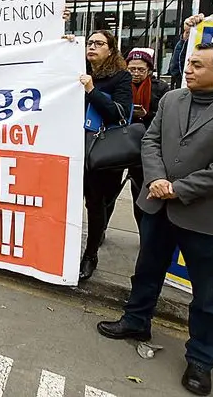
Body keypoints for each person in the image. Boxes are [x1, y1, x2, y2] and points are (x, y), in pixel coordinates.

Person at [96, 42, 213, 397]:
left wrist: (177, 189)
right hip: (157, 205)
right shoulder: (173, 99)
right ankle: (136, 321)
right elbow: (151, 141)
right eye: (189, 63)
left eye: (198, 66)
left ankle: (202, 359)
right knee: (146, 271)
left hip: (204, 216)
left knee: (206, 293)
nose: (188, 69)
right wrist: (157, 180)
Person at [65, 29, 133, 281]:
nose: (92, 47)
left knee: (95, 206)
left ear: (110, 50)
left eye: (99, 43)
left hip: (102, 156)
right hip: (73, 149)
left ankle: (90, 254)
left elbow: (119, 114)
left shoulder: (120, 77)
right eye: (89, 42)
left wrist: (92, 90)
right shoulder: (75, 70)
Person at [123, 49, 170, 226]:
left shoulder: (160, 88)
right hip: (121, 142)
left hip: (144, 145)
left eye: (140, 69)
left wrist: (145, 114)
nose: (135, 73)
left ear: (149, 70)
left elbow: (164, 117)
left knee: (140, 193)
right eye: (132, 69)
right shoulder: (121, 84)